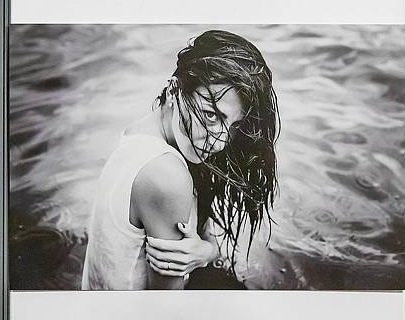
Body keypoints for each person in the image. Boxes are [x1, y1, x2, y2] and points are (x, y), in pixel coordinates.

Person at [81, 30, 279, 290]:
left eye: (234, 126)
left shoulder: (141, 131)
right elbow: (167, 305)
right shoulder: (166, 175)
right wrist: (211, 254)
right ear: (175, 89)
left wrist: (208, 252)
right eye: (211, 115)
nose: (220, 142)